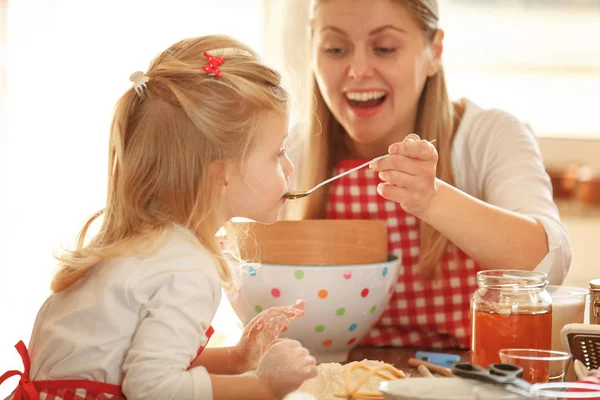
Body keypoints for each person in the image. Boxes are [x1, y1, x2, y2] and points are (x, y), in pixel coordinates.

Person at [0, 35, 317, 400]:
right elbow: (151, 389)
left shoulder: (147, 246)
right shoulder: (187, 269)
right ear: (221, 177)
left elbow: (131, 366)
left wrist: (238, 357)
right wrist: (262, 387)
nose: (289, 166)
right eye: (277, 153)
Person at [287, 0, 572, 349]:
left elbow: (548, 265)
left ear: (434, 51)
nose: (358, 69)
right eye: (335, 49)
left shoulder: (488, 136)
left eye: (385, 48)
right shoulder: (289, 150)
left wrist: (432, 199)